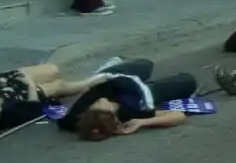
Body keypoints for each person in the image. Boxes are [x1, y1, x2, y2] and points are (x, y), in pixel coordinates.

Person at [57, 58, 199, 142]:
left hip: (110, 78)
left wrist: (88, 85)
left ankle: (113, 64)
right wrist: (142, 122)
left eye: (95, 106)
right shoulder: (131, 111)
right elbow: (178, 116)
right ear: (116, 119)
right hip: (140, 90)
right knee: (188, 81)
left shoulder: (74, 116)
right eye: (103, 108)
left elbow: (71, 102)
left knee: (145, 64)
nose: (100, 101)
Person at [0, 63, 103, 137]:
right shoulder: (9, 113)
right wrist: (30, 84)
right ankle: (91, 83)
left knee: (53, 70)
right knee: (59, 86)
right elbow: (33, 108)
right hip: (24, 92)